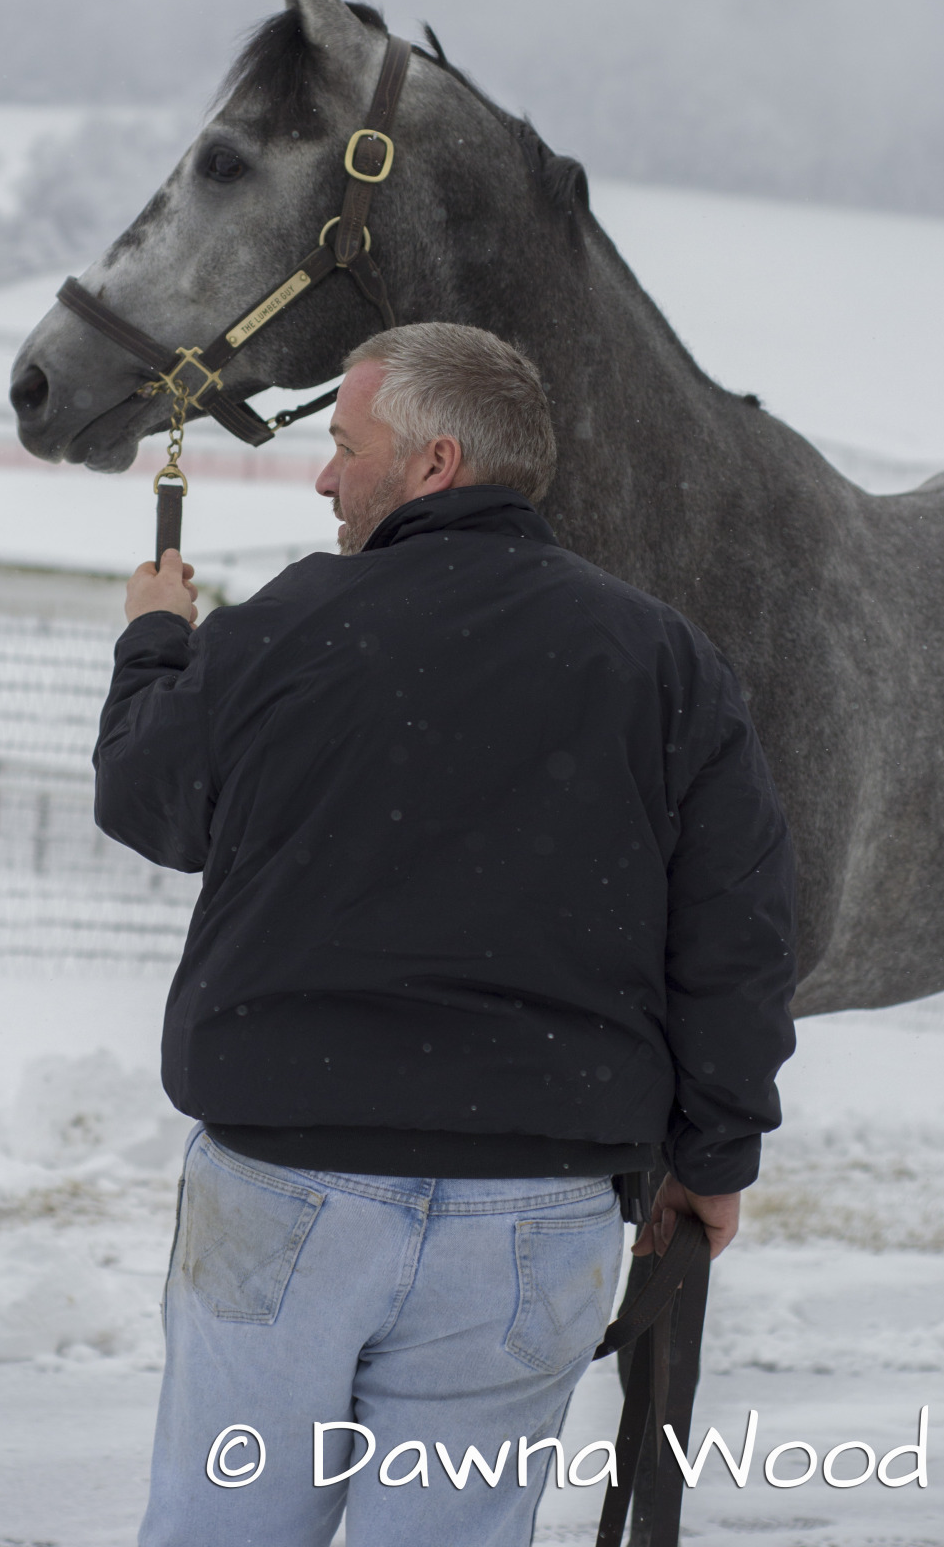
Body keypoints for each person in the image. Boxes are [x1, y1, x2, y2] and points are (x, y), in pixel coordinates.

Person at [94, 322, 796, 1547]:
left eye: (342, 446)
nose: (322, 476)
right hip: (537, 1212)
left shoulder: (285, 630)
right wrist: (715, 1152)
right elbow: (732, 932)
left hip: (287, 1189)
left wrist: (158, 639)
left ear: (432, 463)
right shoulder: (661, 658)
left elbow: (147, 797)